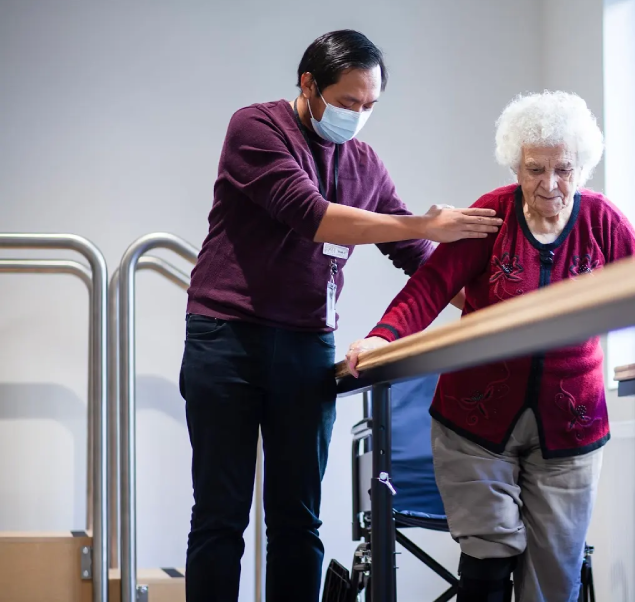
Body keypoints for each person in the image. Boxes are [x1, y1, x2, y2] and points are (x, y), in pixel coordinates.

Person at [180, 29, 502, 602]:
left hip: (306, 344)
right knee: (220, 517)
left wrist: (485, 308)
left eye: (369, 106)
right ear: (309, 85)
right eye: (348, 102)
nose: (357, 115)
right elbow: (314, 216)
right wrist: (425, 223)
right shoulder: (255, 128)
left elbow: (415, 259)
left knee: (298, 519)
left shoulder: (364, 163)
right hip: (226, 337)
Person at [346, 91, 635, 602]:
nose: (551, 183)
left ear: (581, 167)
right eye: (536, 168)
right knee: (488, 551)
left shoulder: (601, 220)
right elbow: (430, 286)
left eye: (564, 168)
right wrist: (383, 337)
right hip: (474, 418)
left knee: (553, 575)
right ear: (515, 163)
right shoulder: (491, 215)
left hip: (572, 422)